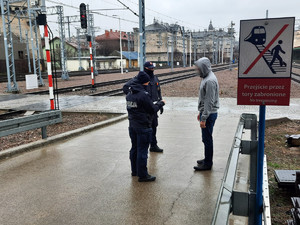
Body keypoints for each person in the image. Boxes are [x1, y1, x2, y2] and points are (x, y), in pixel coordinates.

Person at [126, 71, 165, 182]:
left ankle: (135, 171)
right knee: (142, 151)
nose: (148, 84)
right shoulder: (143, 95)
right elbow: (152, 109)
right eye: (147, 82)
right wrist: (161, 103)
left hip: (132, 125)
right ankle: (143, 175)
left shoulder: (130, 94)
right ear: (144, 82)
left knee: (134, 148)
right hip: (143, 126)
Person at [123, 61, 164, 153]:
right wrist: (135, 98)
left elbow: (158, 91)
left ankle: (153, 145)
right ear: (145, 68)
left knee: (154, 126)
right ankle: (145, 145)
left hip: (153, 107)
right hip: (143, 109)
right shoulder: (138, 79)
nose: (152, 70)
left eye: (153, 68)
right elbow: (125, 87)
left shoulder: (155, 79)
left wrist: (160, 103)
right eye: (150, 68)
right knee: (145, 128)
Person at [193, 57, 219, 171]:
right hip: (205, 113)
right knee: (205, 138)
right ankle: (207, 158)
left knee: (207, 139)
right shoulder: (206, 77)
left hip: (209, 114)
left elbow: (209, 101)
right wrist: (201, 112)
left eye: (198, 68)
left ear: (203, 67)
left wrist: (204, 117)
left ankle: (208, 163)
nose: (196, 70)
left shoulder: (210, 81)